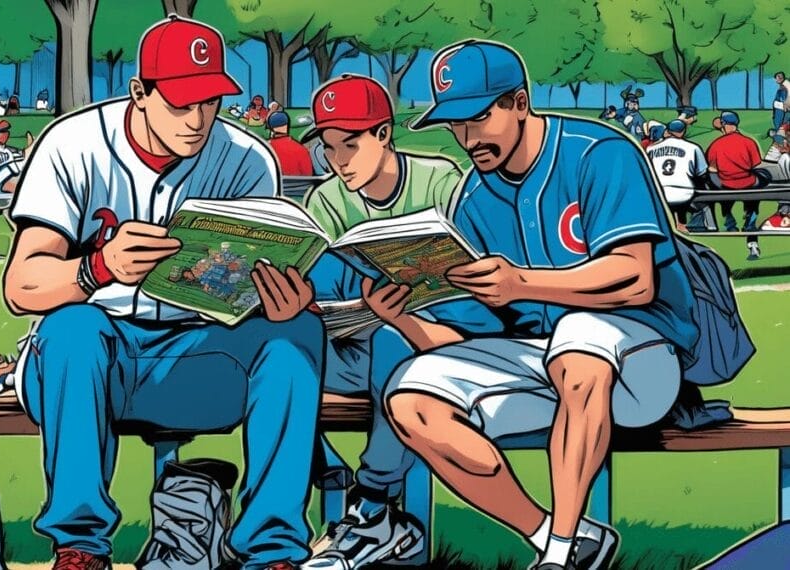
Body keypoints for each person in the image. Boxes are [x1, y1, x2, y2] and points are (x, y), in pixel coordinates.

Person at [4, 15, 323, 570]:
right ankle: (80, 547)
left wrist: (281, 301)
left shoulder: (246, 158)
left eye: (210, 100)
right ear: (140, 93)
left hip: (200, 355)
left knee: (296, 331)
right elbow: (22, 284)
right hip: (97, 364)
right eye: (180, 101)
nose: (198, 119)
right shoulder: (73, 144)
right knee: (72, 328)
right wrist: (98, 267)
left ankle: (272, 550)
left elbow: (249, 290)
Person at [374, 40, 698, 570]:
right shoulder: (474, 199)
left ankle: (560, 555)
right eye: (455, 124)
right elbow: (471, 337)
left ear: (520, 102)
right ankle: (553, 536)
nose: (467, 137)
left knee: (580, 337)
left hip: (644, 358)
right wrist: (403, 314)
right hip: (541, 362)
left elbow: (635, 279)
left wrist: (522, 282)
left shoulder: (598, 152)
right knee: (411, 396)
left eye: (479, 117)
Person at [299, 74, 462, 569]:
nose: (339, 160)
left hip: (433, 345)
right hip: (351, 345)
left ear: (384, 134)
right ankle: (334, 478)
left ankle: (370, 502)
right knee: (278, 356)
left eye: (350, 144)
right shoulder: (326, 200)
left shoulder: (442, 180)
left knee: (395, 342)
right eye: (328, 148)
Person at [705, 111, 771, 260]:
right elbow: (755, 164)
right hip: (748, 183)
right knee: (760, 183)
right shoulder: (748, 142)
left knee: (719, 186)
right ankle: (750, 221)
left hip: (726, 184)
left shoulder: (716, 144)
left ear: (724, 124)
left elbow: (712, 167)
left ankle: (729, 221)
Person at [647, 119, 709, 230]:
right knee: (703, 204)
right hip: (684, 193)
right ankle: (695, 229)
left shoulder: (651, 149)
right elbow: (702, 174)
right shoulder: (693, 147)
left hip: (658, 193)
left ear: (667, 131)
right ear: (683, 131)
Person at [266, 111, 313, 176]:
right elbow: (308, 176)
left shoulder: (265, 148)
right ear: (287, 125)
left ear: (271, 127)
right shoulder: (301, 149)